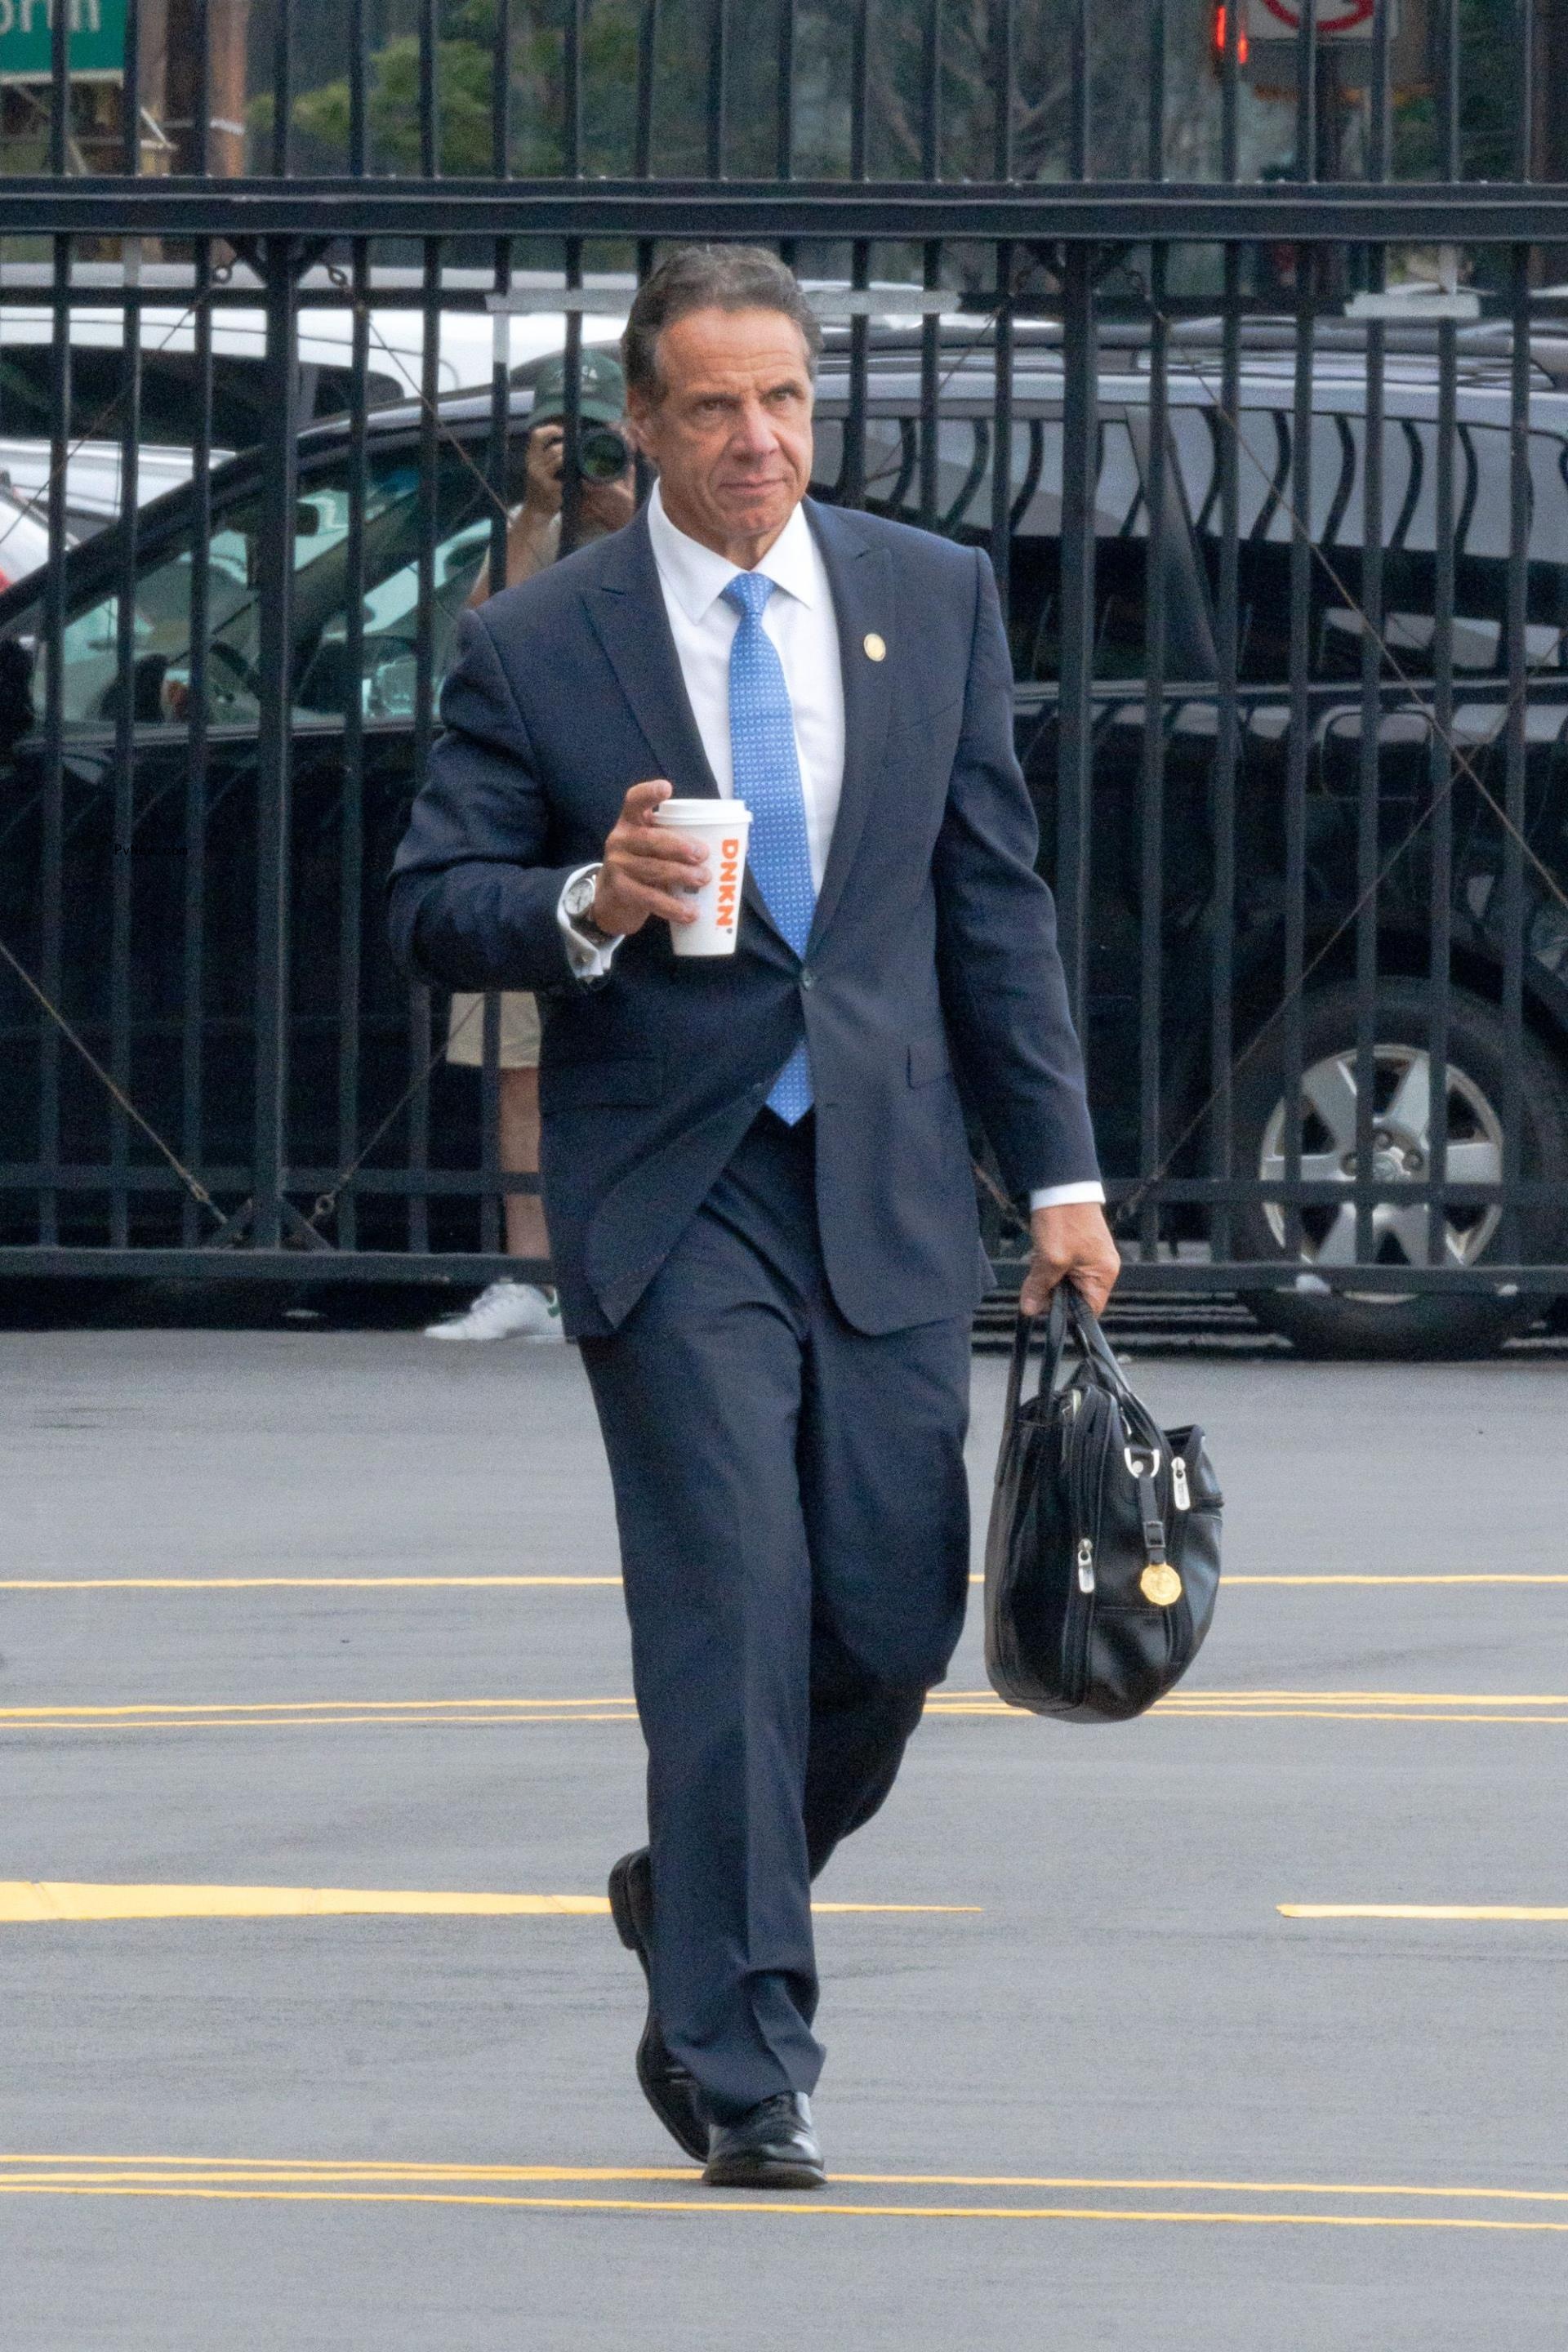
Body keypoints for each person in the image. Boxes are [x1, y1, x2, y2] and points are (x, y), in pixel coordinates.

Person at [390, 246, 1120, 2189]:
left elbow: (991, 903)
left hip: (880, 1174)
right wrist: (587, 900)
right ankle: (745, 2058)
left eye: (782, 400)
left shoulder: (928, 598)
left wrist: (1060, 1175)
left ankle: (688, 1886)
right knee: (727, 1604)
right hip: (674, 1178)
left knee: (882, 1623)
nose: (756, 441)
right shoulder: (542, 644)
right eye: (711, 408)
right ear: (643, 425)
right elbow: (435, 902)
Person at [426, 348, 636, 1341]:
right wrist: (540, 517)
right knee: (519, 1063)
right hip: (527, 846)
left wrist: (617, 516)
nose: (589, 461)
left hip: (639, 837)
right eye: (566, 442)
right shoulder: (526, 534)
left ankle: (615, 1273)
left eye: (600, 438)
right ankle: (528, 1274)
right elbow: (476, 644)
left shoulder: (669, 526)